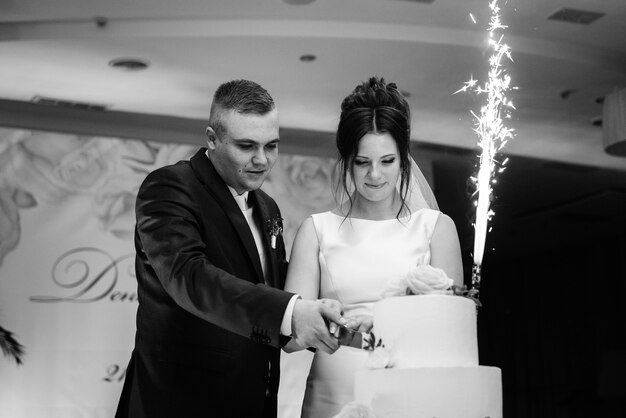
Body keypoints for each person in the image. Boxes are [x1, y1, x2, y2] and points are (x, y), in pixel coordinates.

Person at [115, 79, 345, 418]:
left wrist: (319, 314)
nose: (262, 160)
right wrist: (292, 313)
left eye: (272, 146)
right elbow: (190, 278)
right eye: (246, 146)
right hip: (178, 404)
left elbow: (273, 292)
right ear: (212, 138)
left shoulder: (267, 207)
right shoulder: (169, 188)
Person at [283, 77, 464, 418]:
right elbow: (292, 339)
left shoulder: (436, 229)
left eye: (387, 161)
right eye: (362, 162)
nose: (375, 175)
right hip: (331, 398)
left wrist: (392, 325)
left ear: (403, 158)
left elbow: (450, 335)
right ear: (347, 160)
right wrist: (333, 326)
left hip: (409, 398)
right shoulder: (316, 230)